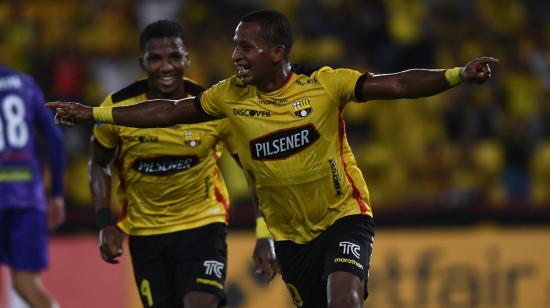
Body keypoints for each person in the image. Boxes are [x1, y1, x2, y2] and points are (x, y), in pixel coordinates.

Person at [48, 10, 499, 308]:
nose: (235, 56)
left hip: (342, 215)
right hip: (290, 236)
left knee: (344, 299)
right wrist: (94, 113)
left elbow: (397, 84)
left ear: (278, 53)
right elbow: (168, 111)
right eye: (235, 46)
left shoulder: (326, 85)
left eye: (246, 47)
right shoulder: (228, 97)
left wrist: (457, 75)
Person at [87, 20, 277, 308]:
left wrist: (265, 234)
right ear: (142, 63)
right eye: (156, 58)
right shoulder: (117, 109)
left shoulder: (211, 107)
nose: (166, 67)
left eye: (175, 57)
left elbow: (254, 171)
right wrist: (104, 222)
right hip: (146, 234)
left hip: (203, 227)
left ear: (187, 59)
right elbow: (98, 164)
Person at [0, 66, 65, 308]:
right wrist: (57, 193)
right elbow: (55, 139)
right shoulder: (24, 83)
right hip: (26, 197)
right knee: (26, 283)